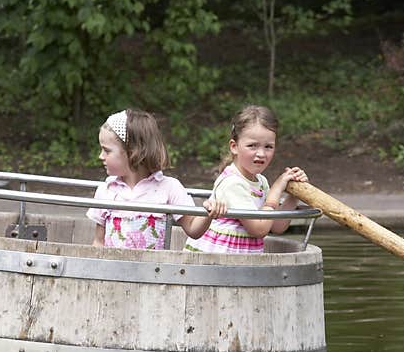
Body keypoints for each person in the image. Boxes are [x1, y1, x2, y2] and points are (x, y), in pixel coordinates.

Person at [87, 109, 225, 250]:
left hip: (153, 270)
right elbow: (99, 242)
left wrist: (209, 212)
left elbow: (192, 228)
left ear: (133, 150)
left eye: (107, 150)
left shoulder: (168, 187)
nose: (100, 156)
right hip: (114, 270)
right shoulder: (107, 190)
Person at [184, 104, 308, 254]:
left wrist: (293, 196)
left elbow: (276, 226)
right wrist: (276, 190)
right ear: (234, 146)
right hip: (216, 263)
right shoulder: (232, 183)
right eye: (252, 146)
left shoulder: (260, 182)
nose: (261, 153)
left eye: (268, 147)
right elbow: (259, 229)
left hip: (242, 265)